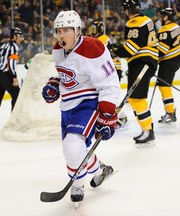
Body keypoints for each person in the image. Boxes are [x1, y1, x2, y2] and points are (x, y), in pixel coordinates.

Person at [42, 10, 120, 203]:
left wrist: (108, 114)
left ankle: (77, 184)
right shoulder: (58, 49)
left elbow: (109, 82)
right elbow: (67, 75)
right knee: (74, 150)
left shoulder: (93, 47)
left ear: (77, 30)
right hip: (67, 106)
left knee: (72, 145)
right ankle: (101, 169)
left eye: (66, 30)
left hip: (88, 103)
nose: (61, 35)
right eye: (58, 30)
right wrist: (55, 84)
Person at [109, 0, 158, 147]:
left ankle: (148, 131)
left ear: (129, 10)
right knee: (135, 98)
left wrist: (116, 50)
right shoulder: (145, 20)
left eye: (124, 10)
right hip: (143, 61)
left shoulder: (134, 22)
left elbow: (131, 48)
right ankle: (147, 129)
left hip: (142, 61)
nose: (124, 12)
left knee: (137, 98)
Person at [89, 20, 129, 129]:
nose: (92, 31)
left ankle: (120, 116)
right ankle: (118, 116)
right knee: (105, 94)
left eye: (93, 29)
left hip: (111, 69)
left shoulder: (102, 39)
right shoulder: (102, 39)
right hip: (111, 68)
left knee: (107, 94)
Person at [157, 8, 180, 123]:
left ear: (167, 17)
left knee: (164, 86)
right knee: (164, 85)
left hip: (169, 60)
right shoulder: (176, 26)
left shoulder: (164, 29)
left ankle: (170, 113)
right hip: (177, 58)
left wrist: (152, 59)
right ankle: (170, 112)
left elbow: (162, 50)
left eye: (163, 15)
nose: (161, 17)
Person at [0, 27, 23, 126]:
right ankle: (14, 119)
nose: (21, 39)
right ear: (14, 37)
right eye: (19, 36)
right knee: (17, 94)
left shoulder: (3, 45)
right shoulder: (14, 47)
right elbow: (11, 63)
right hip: (5, 74)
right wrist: (14, 77)